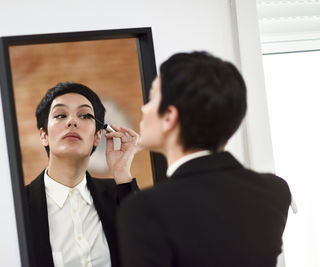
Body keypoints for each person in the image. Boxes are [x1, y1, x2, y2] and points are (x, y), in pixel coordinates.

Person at [117, 52, 291, 267]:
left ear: (169, 117)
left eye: (152, 98)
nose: (144, 108)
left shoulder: (145, 209)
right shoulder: (275, 190)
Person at [26, 82, 139, 267]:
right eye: (60, 115)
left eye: (85, 115)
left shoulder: (118, 194)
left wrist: (122, 171)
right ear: (43, 135)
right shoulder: (19, 207)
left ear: (97, 137)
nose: (72, 121)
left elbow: (148, 250)